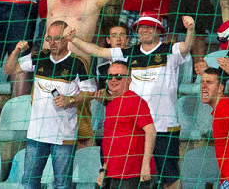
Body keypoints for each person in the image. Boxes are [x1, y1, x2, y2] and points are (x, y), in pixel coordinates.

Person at [69, 14, 194, 189]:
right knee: (136, 179)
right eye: (141, 27)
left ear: (159, 31)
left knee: (170, 179)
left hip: (164, 126)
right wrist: (73, 39)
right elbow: (98, 51)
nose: (145, 30)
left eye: (150, 27)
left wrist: (190, 30)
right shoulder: (129, 53)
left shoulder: (169, 49)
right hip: (135, 128)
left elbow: (187, 47)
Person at [5, 22, 97, 189]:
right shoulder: (39, 57)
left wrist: (70, 99)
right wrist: (16, 51)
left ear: (67, 39)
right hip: (36, 135)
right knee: (29, 182)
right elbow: (9, 70)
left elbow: (90, 92)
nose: (53, 43)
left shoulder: (78, 63)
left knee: (62, 185)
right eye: (50, 39)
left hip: (63, 137)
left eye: (58, 39)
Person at [99, 59, 156, 189]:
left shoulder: (134, 101)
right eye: (110, 76)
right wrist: (104, 170)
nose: (113, 80)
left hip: (133, 173)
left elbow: (151, 131)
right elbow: (110, 143)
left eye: (119, 77)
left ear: (129, 80)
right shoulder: (110, 106)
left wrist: (146, 165)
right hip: (114, 173)